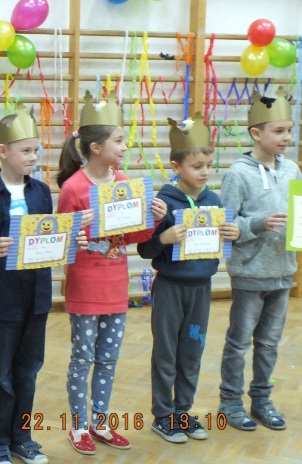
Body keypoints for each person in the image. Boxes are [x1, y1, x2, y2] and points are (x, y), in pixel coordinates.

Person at [56, 91, 166, 455]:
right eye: (118, 140)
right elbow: (61, 244)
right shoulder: (73, 188)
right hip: (85, 287)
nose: (124, 146)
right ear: (95, 147)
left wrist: (154, 219)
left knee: (108, 358)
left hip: (116, 286)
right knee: (82, 358)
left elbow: (134, 236)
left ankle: (100, 422)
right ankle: (78, 426)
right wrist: (75, 230)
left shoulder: (125, 182)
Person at [137, 114, 240, 443]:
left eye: (208, 165)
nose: (205, 172)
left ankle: (183, 410)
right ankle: (163, 415)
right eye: (197, 166)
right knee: (166, 353)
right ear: (176, 167)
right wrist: (164, 238)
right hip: (170, 289)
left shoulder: (214, 201)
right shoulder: (163, 203)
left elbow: (218, 245)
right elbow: (145, 249)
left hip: (201, 290)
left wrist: (231, 234)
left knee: (192, 351)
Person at [0, 105, 53, 464]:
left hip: (37, 293)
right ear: (3, 151)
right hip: (3, 295)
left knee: (29, 368)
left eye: (36, 150)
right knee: (1, 372)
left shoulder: (41, 192)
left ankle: (22, 437)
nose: (33, 157)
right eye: (26, 150)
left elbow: (48, 236)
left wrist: (66, 241)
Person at [218, 87, 301, 431]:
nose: (287, 137)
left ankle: (262, 400)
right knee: (239, 343)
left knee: (268, 344)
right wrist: (258, 224)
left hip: (283, 274)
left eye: (289, 130)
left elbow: (297, 217)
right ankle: (230, 402)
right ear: (256, 133)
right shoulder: (238, 173)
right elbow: (225, 225)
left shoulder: (293, 170)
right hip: (250, 274)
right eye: (279, 131)